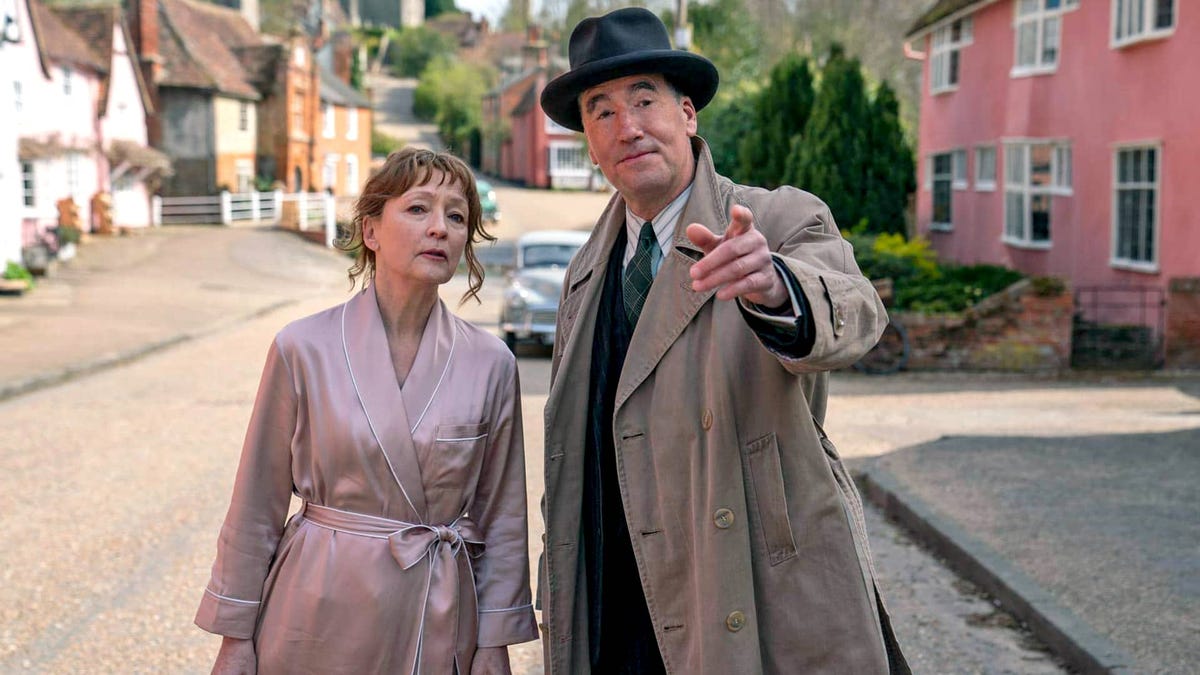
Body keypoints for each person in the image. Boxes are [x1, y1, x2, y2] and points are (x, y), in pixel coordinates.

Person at [536, 8, 909, 674]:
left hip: (742, 591)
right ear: (589, 143)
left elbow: (856, 311)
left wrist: (776, 287)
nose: (629, 126)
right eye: (602, 112)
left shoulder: (776, 218)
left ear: (687, 114)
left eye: (644, 100)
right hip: (616, 606)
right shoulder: (583, 274)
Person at [195, 148, 538, 674]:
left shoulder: (491, 363)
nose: (440, 229)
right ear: (371, 229)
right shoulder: (302, 348)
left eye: (456, 216)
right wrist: (235, 636)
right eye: (419, 208)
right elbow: (256, 504)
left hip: (435, 611)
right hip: (316, 607)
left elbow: (503, 519)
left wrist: (495, 641)